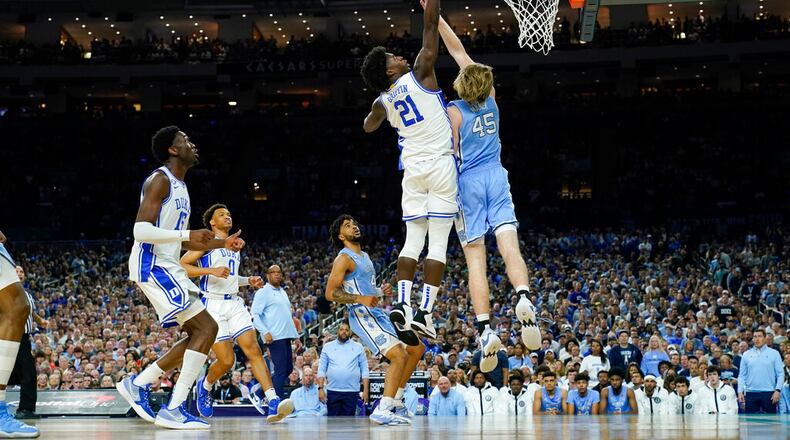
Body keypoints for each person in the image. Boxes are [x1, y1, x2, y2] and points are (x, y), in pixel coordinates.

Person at [423, 1, 541, 369]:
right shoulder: (491, 101)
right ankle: (523, 296)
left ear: (460, 85)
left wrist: (430, 15)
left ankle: (486, 328)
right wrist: (440, 19)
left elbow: (448, 152)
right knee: (510, 247)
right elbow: (459, 49)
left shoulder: (453, 112)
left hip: (468, 183)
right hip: (496, 175)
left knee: (476, 259)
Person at [121, 126, 244, 430]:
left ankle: (140, 384)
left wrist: (220, 243)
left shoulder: (181, 187)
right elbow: (140, 231)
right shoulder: (159, 180)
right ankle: (173, 408)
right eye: (185, 141)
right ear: (173, 150)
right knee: (208, 327)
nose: (192, 145)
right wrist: (186, 234)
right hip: (152, 264)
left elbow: (181, 241)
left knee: (199, 333)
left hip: (167, 264)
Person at [361, 0, 456, 344]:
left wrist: (381, 107)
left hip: (412, 169)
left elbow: (368, 127)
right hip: (441, 163)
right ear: (390, 71)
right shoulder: (421, 70)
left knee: (413, 239)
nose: (399, 57)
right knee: (440, 241)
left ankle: (403, 302)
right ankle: (426, 312)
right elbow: (431, 29)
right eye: (392, 59)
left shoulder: (382, 102)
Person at [180, 204, 290, 422]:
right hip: (212, 305)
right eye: (222, 214)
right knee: (227, 361)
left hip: (234, 304)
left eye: (229, 214)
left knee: (253, 350)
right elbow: (182, 266)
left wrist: (248, 281)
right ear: (212, 222)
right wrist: (210, 270)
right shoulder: (206, 243)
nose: (227, 216)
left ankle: (272, 399)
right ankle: (206, 385)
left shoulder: (234, 246)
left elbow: (229, 278)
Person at [323, 215, 425, 425]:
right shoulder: (344, 258)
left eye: (355, 223)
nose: (354, 227)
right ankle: (383, 409)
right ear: (341, 236)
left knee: (416, 348)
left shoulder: (365, 256)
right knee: (398, 355)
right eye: (348, 226)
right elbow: (330, 293)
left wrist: (379, 291)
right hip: (361, 316)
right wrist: (362, 299)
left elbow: (365, 289)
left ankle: (396, 399)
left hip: (376, 313)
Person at [0, 231, 39, 437]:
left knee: (18, 306)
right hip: (18, 338)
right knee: (17, 305)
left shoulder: (31, 293)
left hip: (23, 337)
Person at [250, 264, 300, 400]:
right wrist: (265, 331)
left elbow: (288, 317)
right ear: (268, 275)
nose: (277, 274)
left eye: (279, 272)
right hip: (274, 336)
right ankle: (276, 403)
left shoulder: (283, 292)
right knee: (281, 371)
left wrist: (296, 337)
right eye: (273, 272)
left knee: (288, 369)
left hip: (286, 336)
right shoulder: (263, 292)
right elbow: (254, 315)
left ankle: (259, 393)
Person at [8, 266, 49, 420]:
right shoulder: (6, 292)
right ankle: (25, 409)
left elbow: (31, 312)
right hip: (11, 337)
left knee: (23, 374)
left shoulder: (27, 294)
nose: (19, 274)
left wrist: (41, 321)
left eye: (22, 272)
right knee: (26, 374)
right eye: (16, 271)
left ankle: (26, 409)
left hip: (24, 339)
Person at [316, 323, 369, 418]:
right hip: (332, 390)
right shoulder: (328, 347)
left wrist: (365, 390)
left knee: (348, 423)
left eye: (346, 330)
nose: (344, 331)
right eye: (341, 329)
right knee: (332, 424)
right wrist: (320, 389)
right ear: (337, 331)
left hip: (352, 391)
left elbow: (364, 370)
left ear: (350, 332)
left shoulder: (358, 347)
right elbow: (321, 369)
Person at [737, 328, 784, 414]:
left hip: (769, 393)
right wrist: (740, 391)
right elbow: (742, 375)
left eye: (760, 336)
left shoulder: (775, 353)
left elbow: (780, 374)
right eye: (755, 336)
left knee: (770, 424)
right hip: (750, 393)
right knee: (751, 424)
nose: (757, 339)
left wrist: (777, 390)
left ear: (765, 338)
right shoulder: (746, 354)